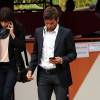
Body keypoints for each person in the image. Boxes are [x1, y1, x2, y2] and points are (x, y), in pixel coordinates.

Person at [27, 6, 77, 100]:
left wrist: (62, 59)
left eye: (52, 23)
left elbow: (73, 54)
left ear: (57, 19)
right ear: (44, 21)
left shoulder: (66, 33)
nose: (49, 26)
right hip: (43, 75)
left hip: (60, 74)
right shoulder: (38, 32)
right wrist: (30, 70)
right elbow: (35, 53)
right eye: (47, 23)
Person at [0, 7, 25, 100]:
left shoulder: (18, 27)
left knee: (6, 94)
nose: (3, 24)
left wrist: (12, 34)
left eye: (5, 22)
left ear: (10, 20)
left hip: (12, 67)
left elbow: (21, 47)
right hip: (0, 67)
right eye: (1, 22)